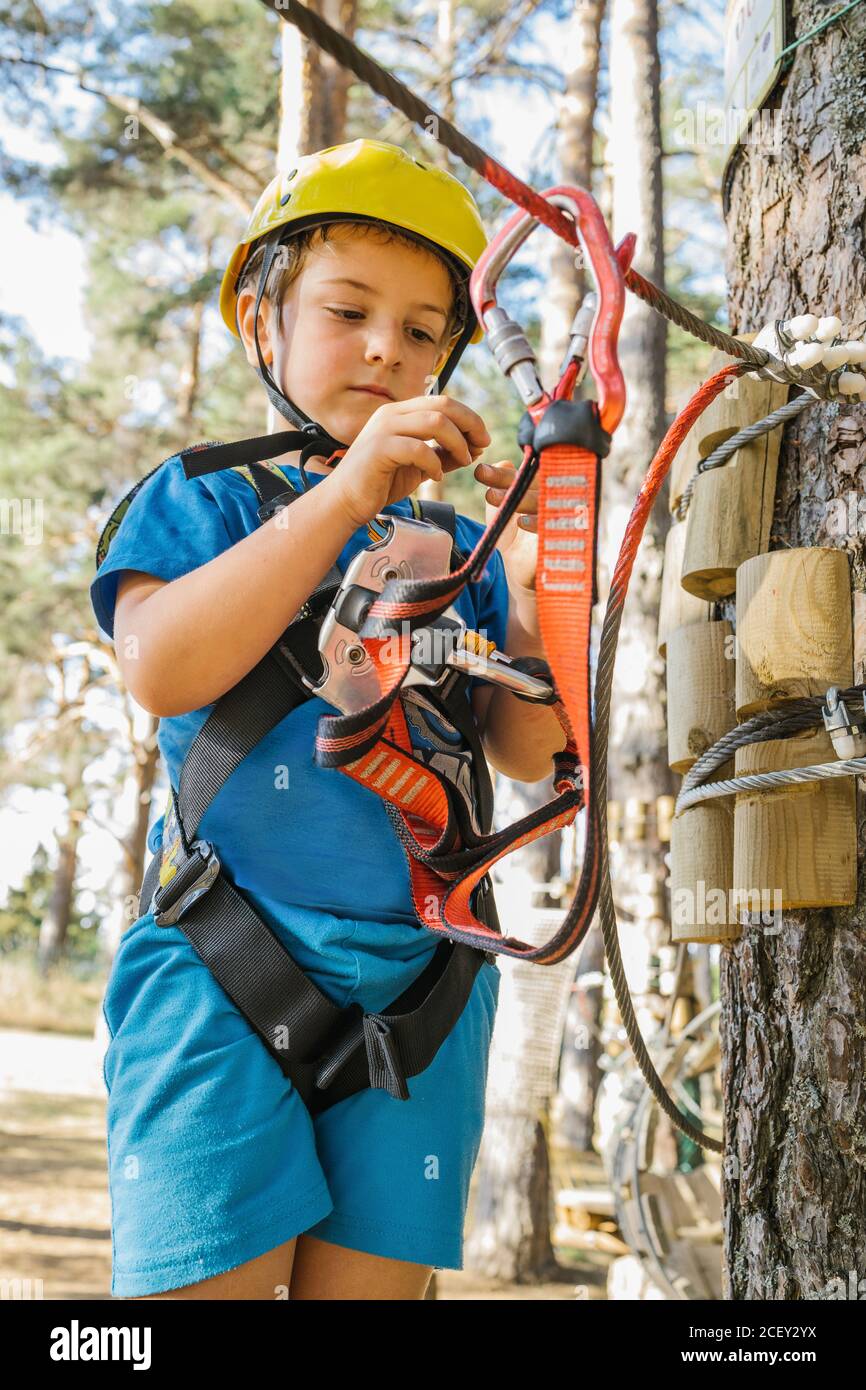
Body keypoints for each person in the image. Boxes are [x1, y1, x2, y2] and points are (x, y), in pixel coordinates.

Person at [91, 139, 563, 1301]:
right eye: (345, 310)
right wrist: (347, 493)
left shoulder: (461, 556)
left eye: (418, 332)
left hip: (423, 986)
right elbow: (160, 668)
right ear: (264, 322)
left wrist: (553, 568)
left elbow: (532, 752)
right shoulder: (202, 495)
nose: (382, 348)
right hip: (222, 965)